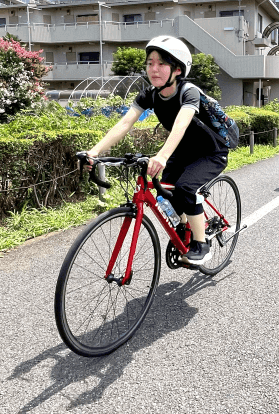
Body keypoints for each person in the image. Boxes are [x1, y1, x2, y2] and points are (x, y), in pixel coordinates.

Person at [84, 35, 227, 265]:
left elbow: (181, 124)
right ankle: (184, 227)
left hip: (211, 151)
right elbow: (124, 123)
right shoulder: (149, 94)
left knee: (186, 188)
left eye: (161, 63)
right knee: (165, 195)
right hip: (182, 152)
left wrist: (161, 156)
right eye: (150, 63)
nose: (154, 68)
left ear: (178, 70)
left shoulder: (188, 92)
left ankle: (201, 243)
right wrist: (95, 151)